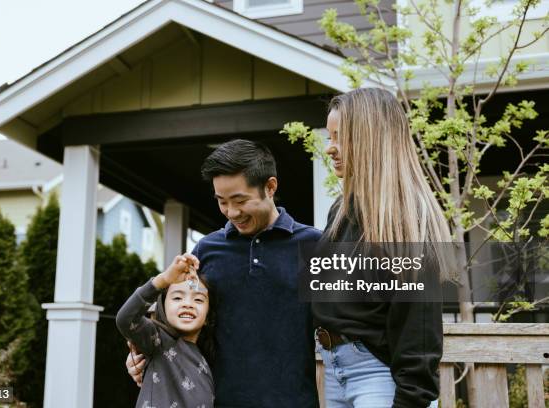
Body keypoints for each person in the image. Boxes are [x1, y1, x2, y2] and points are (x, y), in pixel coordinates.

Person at [126, 139, 322, 407]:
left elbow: (346, 329)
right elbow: (171, 320)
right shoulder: (206, 250)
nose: (232, 212)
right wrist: (143, 353)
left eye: (240, 200)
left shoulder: (315, 245)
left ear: (270, 187)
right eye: (222, 202)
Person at [313, 88, 452, 407]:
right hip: (335, 370)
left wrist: (411, 399)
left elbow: (419, 323)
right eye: (329, 137)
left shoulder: (406, 217)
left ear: (370, 139)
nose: (330, 149)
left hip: (378, 374)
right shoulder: (342, 210)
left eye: (339, 137)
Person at [116, 253, 215, 408]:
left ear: (208, 317)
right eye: (177, 298)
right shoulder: (157, 340)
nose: (188, 304)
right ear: (162, 308)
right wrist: (164, 280)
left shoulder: (204, 359)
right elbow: (126, 319)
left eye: (198, 299)